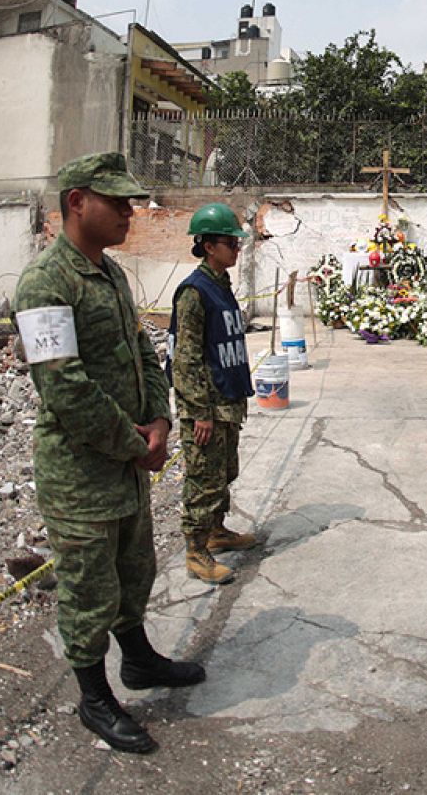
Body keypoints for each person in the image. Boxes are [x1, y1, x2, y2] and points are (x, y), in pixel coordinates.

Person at [13, 152, 203, 755]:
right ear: (76, 202)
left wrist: (160, 421)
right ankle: (94, 698)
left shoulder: (113, 275)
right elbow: (63, 387)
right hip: (81, 473)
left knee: (132, 569)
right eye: (116, 202)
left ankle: (139, 660)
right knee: (88, 587)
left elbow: (143, 352)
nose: (130, 212)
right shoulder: (45, 282)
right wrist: (134, 444)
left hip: (128, 461)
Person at [168, 203, 258, 586]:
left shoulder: (221, 287)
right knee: (203, 481)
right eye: (230, 243)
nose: (237, 250)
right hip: (207, 408)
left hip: (226, 404)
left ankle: (216, 532)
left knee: (223, 474)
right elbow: (185, 360)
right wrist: (199, 411)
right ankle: (196, 550)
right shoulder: (194, 292)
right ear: (208, 246)